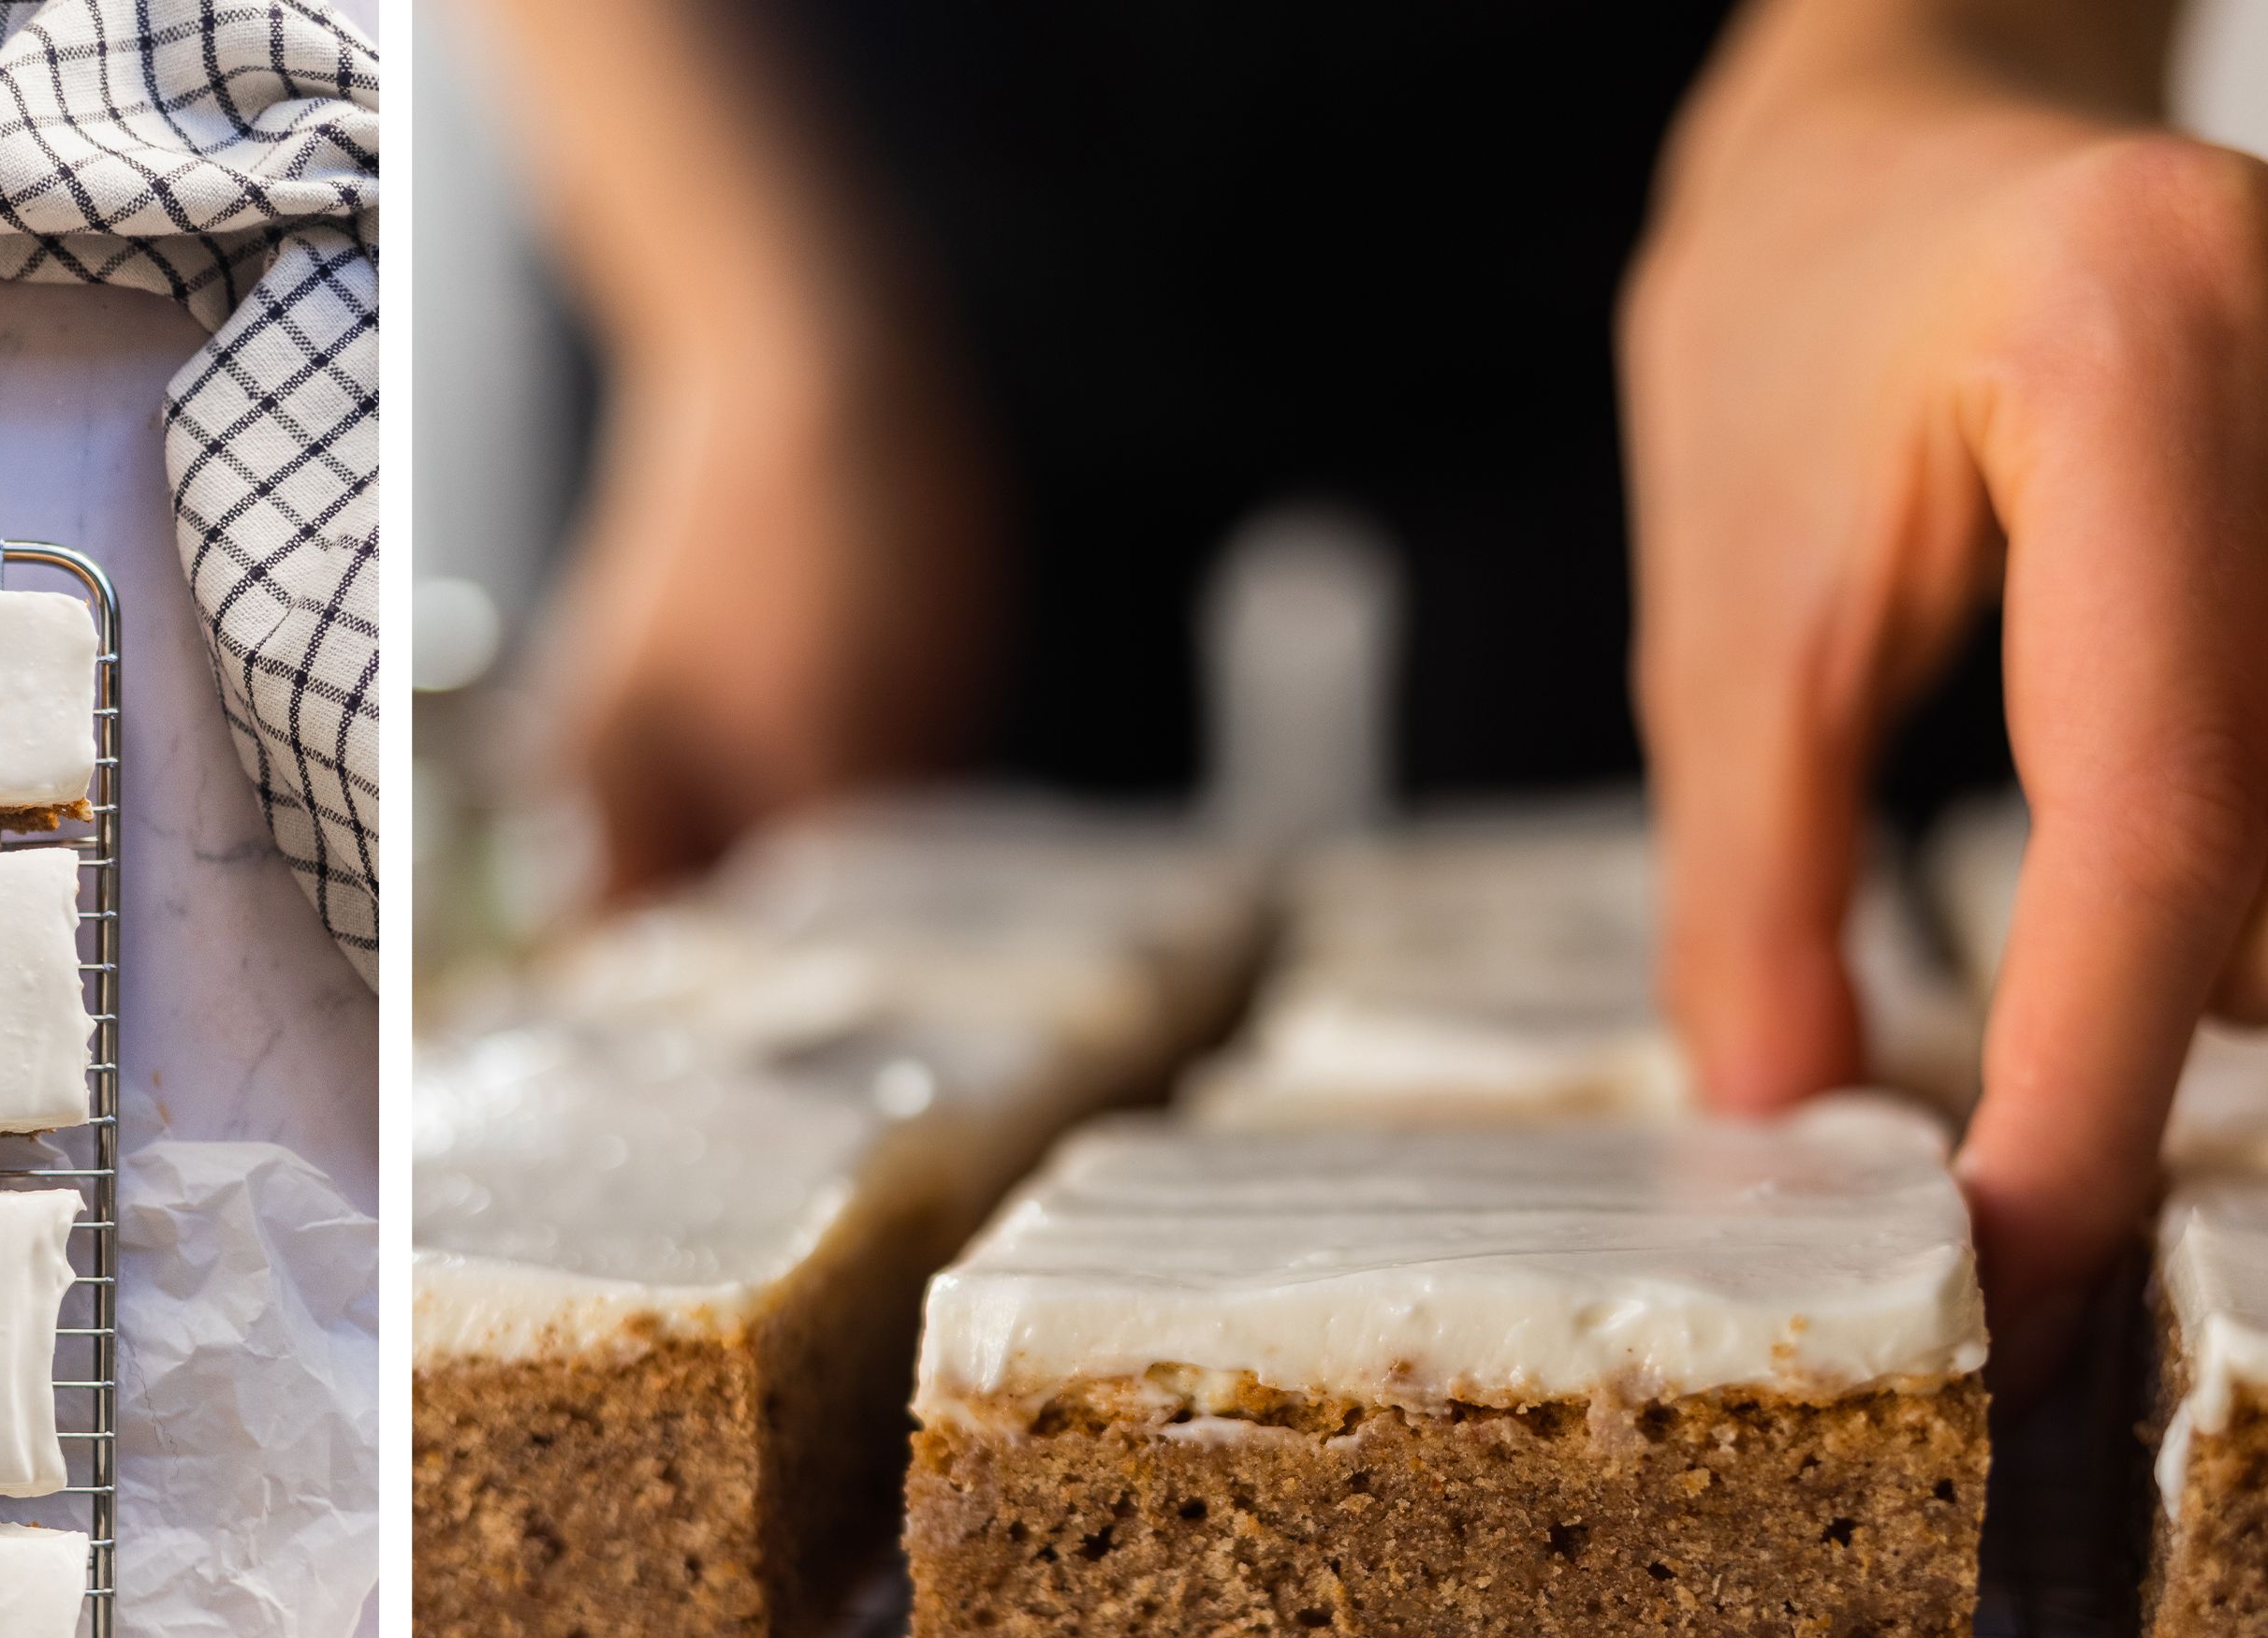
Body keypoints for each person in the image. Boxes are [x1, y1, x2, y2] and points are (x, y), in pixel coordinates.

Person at [472, 0, 2268, 1382]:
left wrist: (1973, 38)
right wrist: (737, 317)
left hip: (1728, 184)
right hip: (849, 165)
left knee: (1793, 1096)